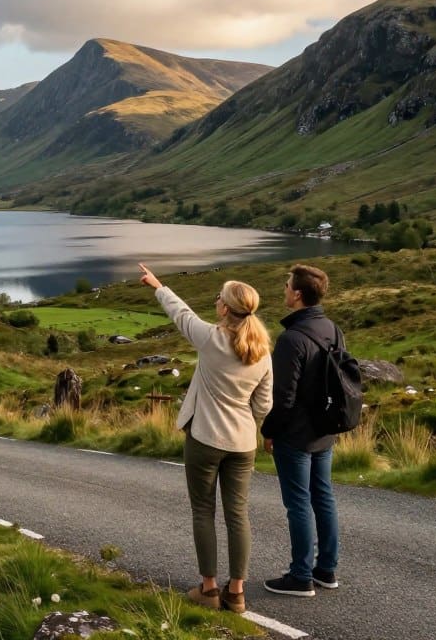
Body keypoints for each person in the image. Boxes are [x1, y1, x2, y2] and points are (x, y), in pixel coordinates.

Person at [139, 263, 272, 614]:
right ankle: (237, 593)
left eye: (219, 298)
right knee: (238, 514)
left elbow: (180, 314)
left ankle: (210, 588)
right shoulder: (261, 352)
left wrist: (157, 285)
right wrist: (252, 426)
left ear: (226, 308)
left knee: (203, 510)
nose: (216, 302)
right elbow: (264, 404)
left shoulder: (211, 339)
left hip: (205, 439)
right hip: (243, 444)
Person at [261, 264, 343, 597]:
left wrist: (269, 430)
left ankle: (300, 576)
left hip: (295, 435)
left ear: (297, 294)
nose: (283, 289)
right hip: (324, 430)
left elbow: (284, 398)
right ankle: (326, 569)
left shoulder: (291, 339)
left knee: (298, 503)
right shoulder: (332, 329)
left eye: (286, 285)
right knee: (323, 498)